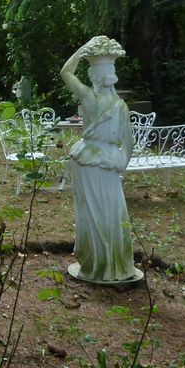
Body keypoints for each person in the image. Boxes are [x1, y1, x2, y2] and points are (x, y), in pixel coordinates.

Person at [60, 37, 139, 283]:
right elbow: (129, 143)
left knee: (90, 214)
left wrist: (80, 51)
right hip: (109, 161)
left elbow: (65, 72)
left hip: (87, 158)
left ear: (93, 76)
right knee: (113, 212)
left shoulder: (88, 97)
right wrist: (120, 164)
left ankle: (96, 264)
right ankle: (114, 263)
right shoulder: (121, 106)